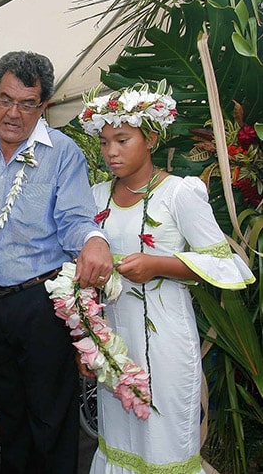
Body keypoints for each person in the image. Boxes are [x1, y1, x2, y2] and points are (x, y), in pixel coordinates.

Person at [79, 82, 254, 472]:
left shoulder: (179, 194)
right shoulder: (95, 197)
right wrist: (88, 343)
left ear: (152, 138)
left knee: (165, 442)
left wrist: (159, 265)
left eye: (122, 140)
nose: (110, 152)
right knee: (120, 441)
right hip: (114, 343)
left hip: (166, 344)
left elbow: (230, 266)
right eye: (105, 141)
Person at [0, 51, 113, 473]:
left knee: (50, 416)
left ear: (44, 107)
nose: (13, 113)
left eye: (27, 103)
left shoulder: (62, 154)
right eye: (5, 99)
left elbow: (76, 219)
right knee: (7, 410)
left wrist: (94, 240)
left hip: (41, 303)